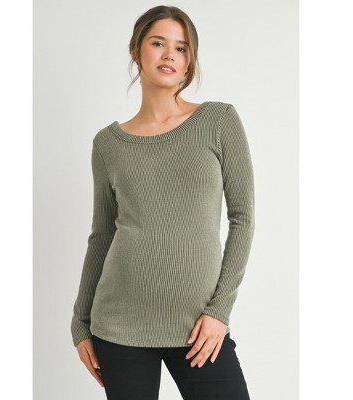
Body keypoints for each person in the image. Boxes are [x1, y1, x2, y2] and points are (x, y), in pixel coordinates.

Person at [71, 5, 255, 400]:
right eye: (158, 43)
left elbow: (243, 218)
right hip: (119, 325)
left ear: (190, 60)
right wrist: (80, 322)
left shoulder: (219, 121)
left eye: (182, 48)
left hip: (199, 326)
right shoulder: (108, 144)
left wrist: (219, 311)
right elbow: (102, 236)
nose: (170, 54)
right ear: (136, 51)